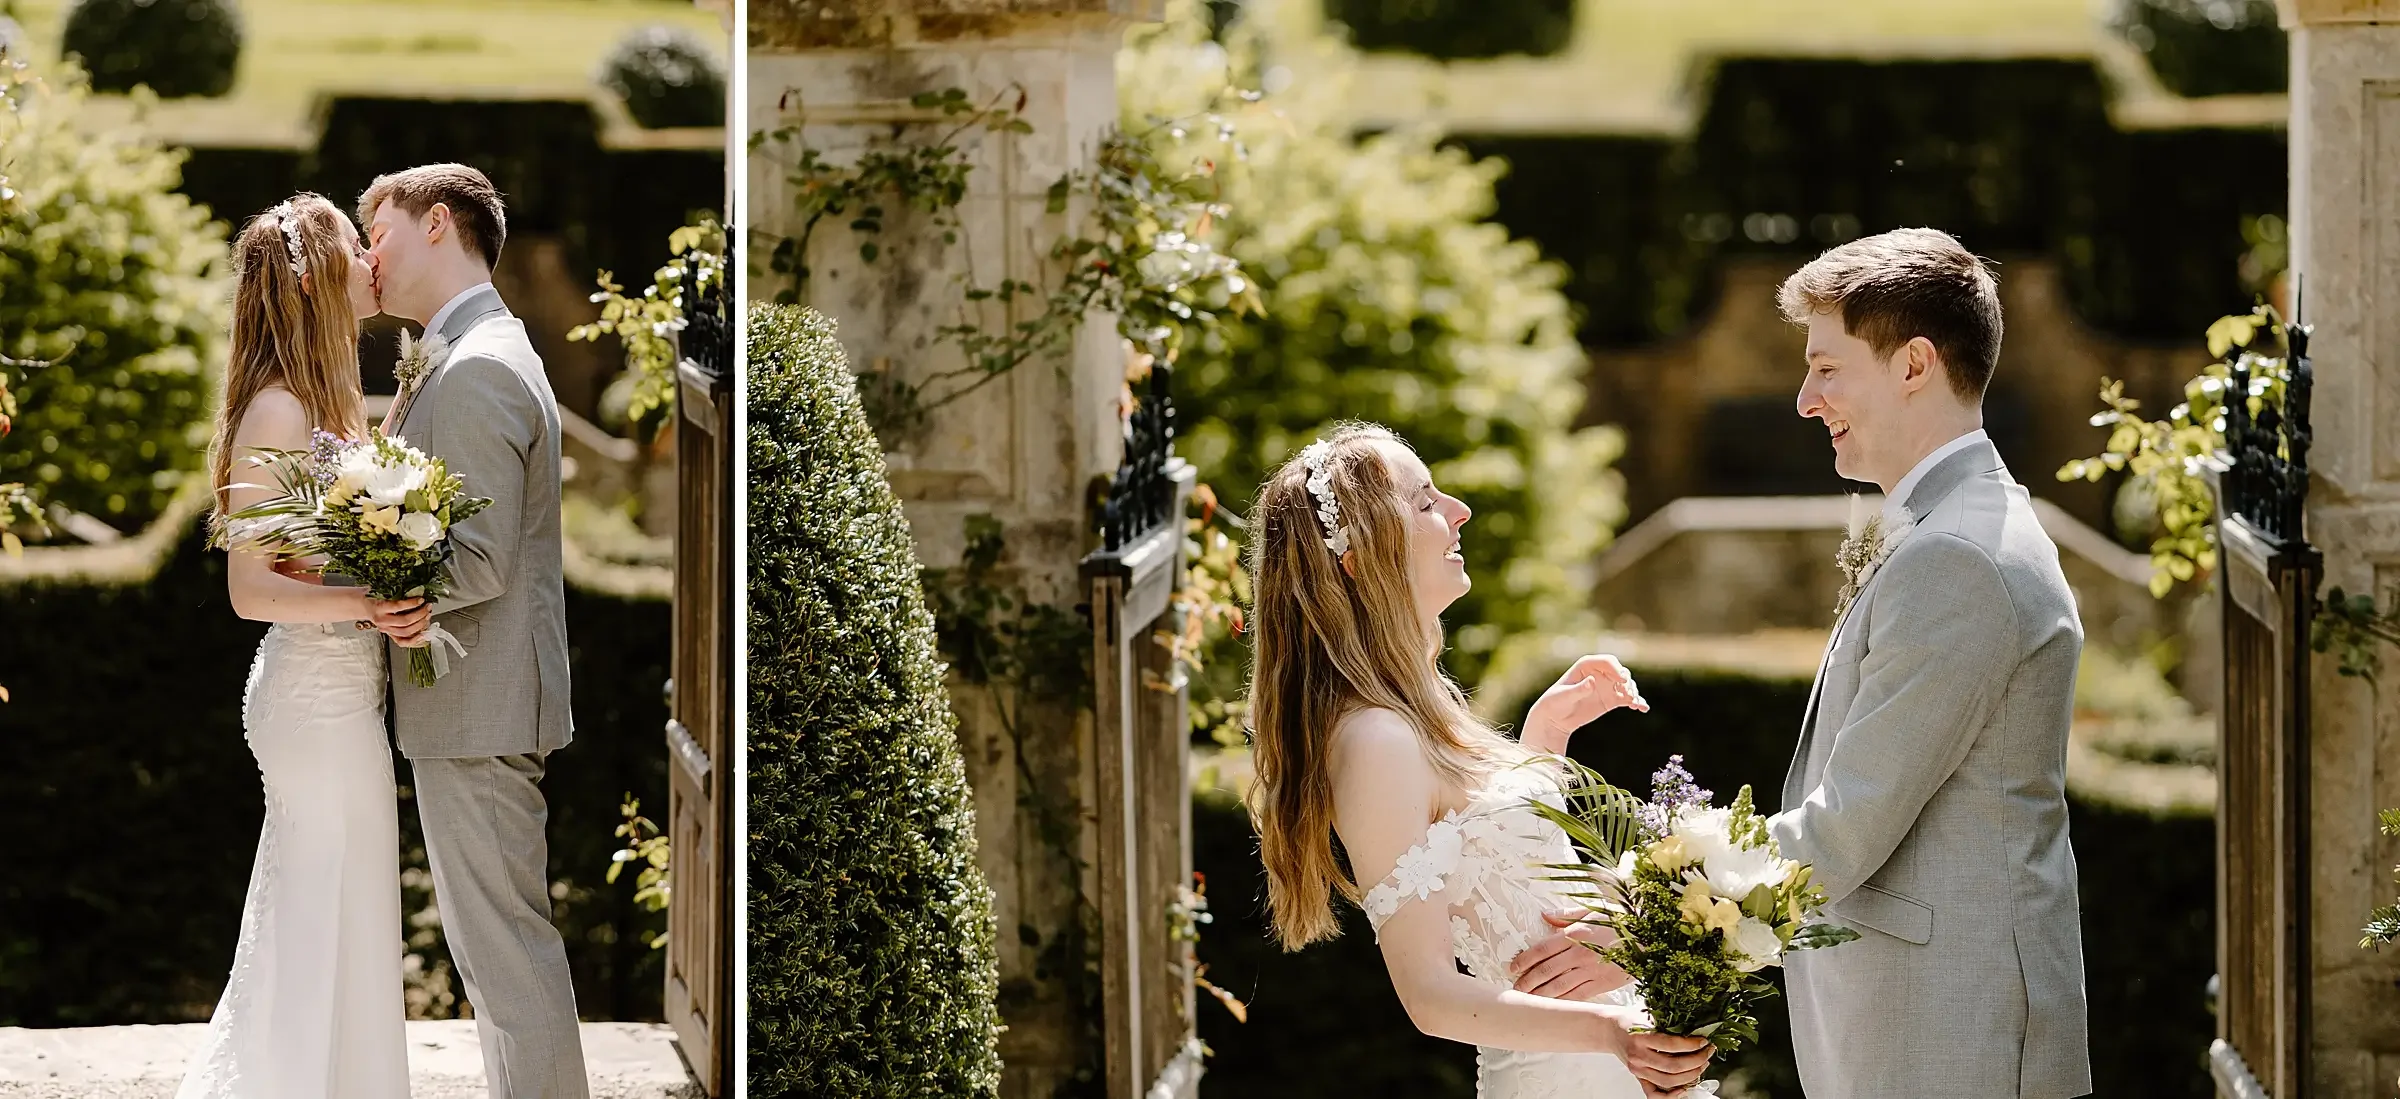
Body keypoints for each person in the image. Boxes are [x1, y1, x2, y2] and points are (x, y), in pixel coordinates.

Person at [1242, 421, 1715, 1098]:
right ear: (1360, 559)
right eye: (1426, 501)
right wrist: (1611, 1033)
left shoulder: (1421, 705)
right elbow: (1430, 994)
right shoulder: (1375, 738)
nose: (1460, 510)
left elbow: (1503, 870)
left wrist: (1545, 737)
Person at [1768, 227, 2092, 1098]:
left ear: (1914, 364)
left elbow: (1844, 828)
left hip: (1951, 1037)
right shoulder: (1957, 526)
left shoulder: (1959, 555)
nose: (1805, 399)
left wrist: (1662, 892)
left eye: (1827, 368)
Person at [179, 193, 422, 1099]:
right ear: (317, 277)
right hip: (312, 702)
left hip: (348, 694)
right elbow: (250, 590)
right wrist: (371, 601)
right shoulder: (277, 413)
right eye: (356, 246)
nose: (371, 260)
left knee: (349, 914)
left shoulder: (329, 403)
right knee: (321, 916)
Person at [358, 162, 588, 1099]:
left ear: (438, 223)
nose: (369, 256)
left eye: (379, 232)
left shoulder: (481, 362)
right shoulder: (462, 349)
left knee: (507, 955)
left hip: (482, 704)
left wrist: (380, 592)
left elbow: (482, 557)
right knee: (493, 956)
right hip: (473, 703)